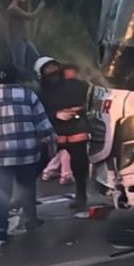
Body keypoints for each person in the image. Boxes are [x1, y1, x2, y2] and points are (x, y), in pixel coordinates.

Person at [0, 64, 56, 241]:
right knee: (27, 186)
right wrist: (52, 142)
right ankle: (31, 220)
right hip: (26, 151)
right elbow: (43, 124)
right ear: (16, 78)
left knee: (0, 191)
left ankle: (0, 228)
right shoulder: (28, 95)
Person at [36, 57, 93, 210]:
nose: (52, 70)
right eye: (48, 68)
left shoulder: (78, 86)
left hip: (76, 132)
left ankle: (81, 195)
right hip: (53, 135)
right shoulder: (41, 93)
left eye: (54, 66)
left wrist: (77, 111)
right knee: (36, 166)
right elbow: (37, 113)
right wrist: (56, 115)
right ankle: (25, 197)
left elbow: (89, 103)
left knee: (80, 167)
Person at [5, 0, 44, 73]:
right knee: (19, 64)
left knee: (35, 57)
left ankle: (30, 76)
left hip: (24, 39)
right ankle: (18, 81)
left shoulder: (18, 8)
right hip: (17, 41)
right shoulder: (13, 9)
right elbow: (31, 16)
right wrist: (40, 7)